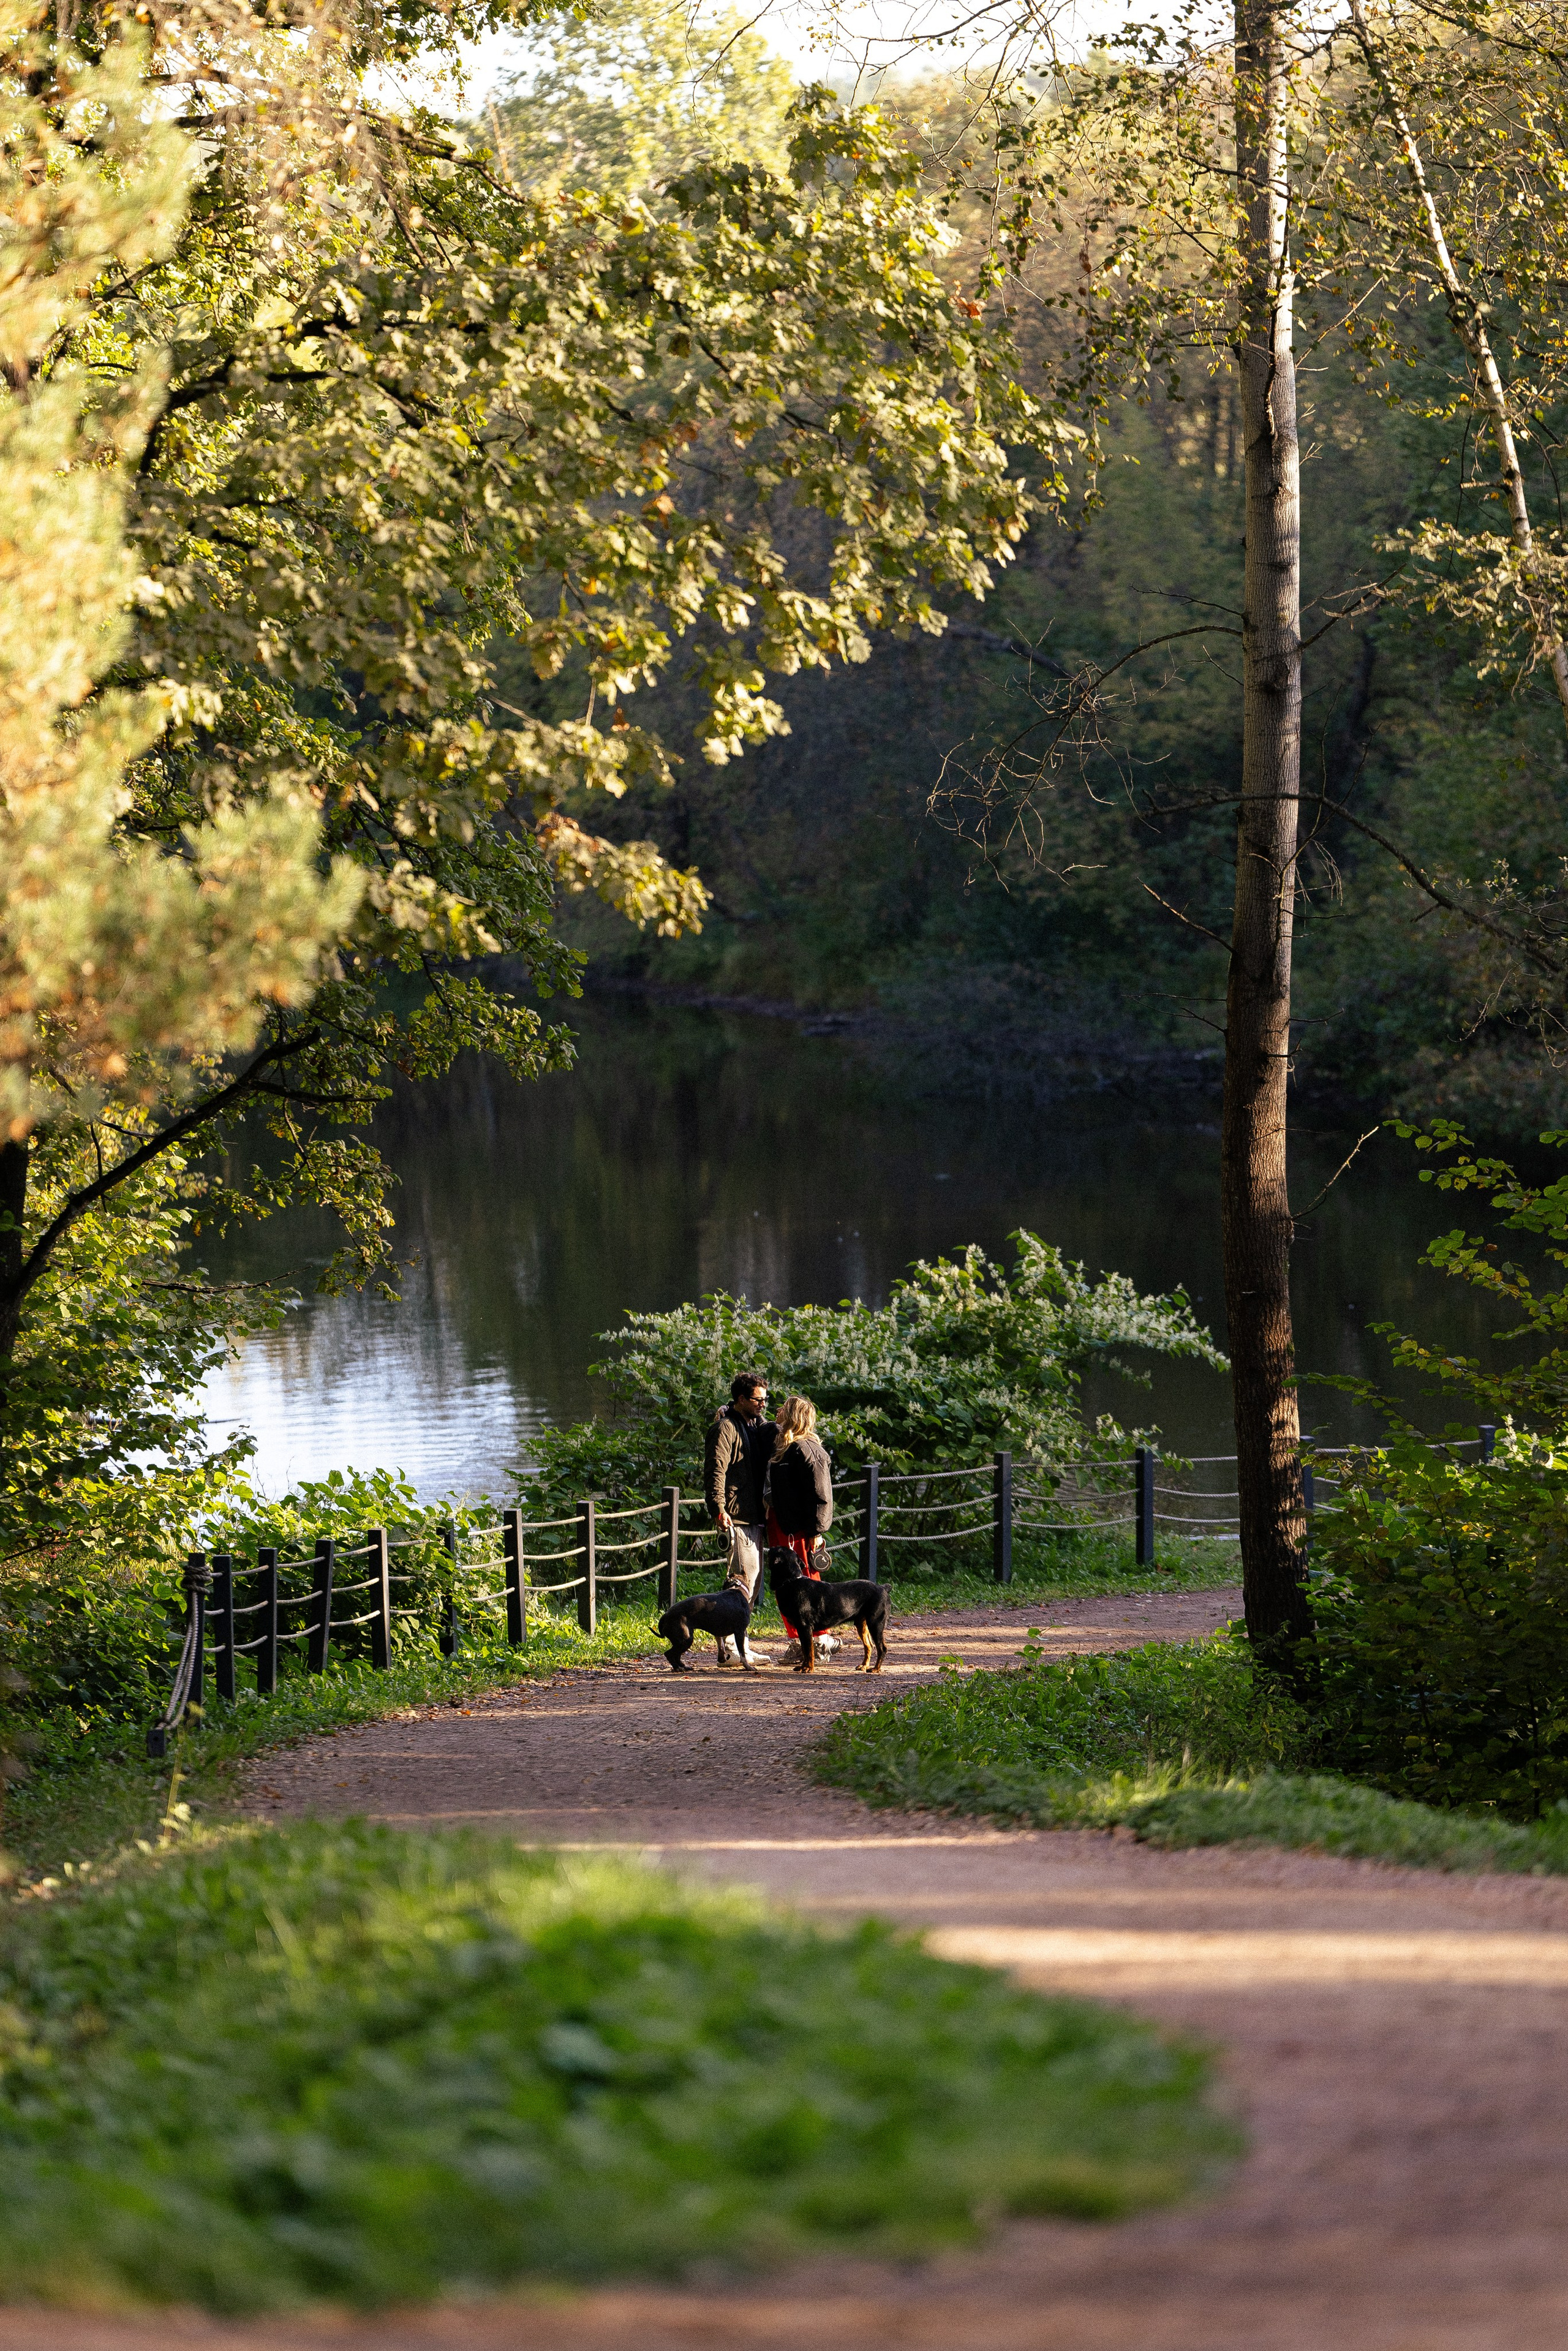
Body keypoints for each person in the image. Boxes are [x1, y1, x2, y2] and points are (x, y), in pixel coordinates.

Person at [703, 1371, 775, 1666]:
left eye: (766, 1399)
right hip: (736, 1515)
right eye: (758, 1400)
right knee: (741, 1582)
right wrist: (718, 1509)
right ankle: (734, 1648)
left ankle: (735, 1645)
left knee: (752, 1582)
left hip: (754, 1515)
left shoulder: (754, 1423)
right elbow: (715, 1471)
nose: (763, 1404)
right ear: (742, 1399)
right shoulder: (725, 1429)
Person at [764, 1393, 840, 1663]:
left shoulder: (807, 1449)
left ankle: (820, 1639)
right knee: (784, 1582)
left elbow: (822, 1494)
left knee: (805, 1580)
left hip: (799, 1529)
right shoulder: (786, 1446)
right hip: (781, 1524)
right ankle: (797, 1639)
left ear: (794, 1415)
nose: (778, 1410)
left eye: (784, 1407)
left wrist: (817, 1531)